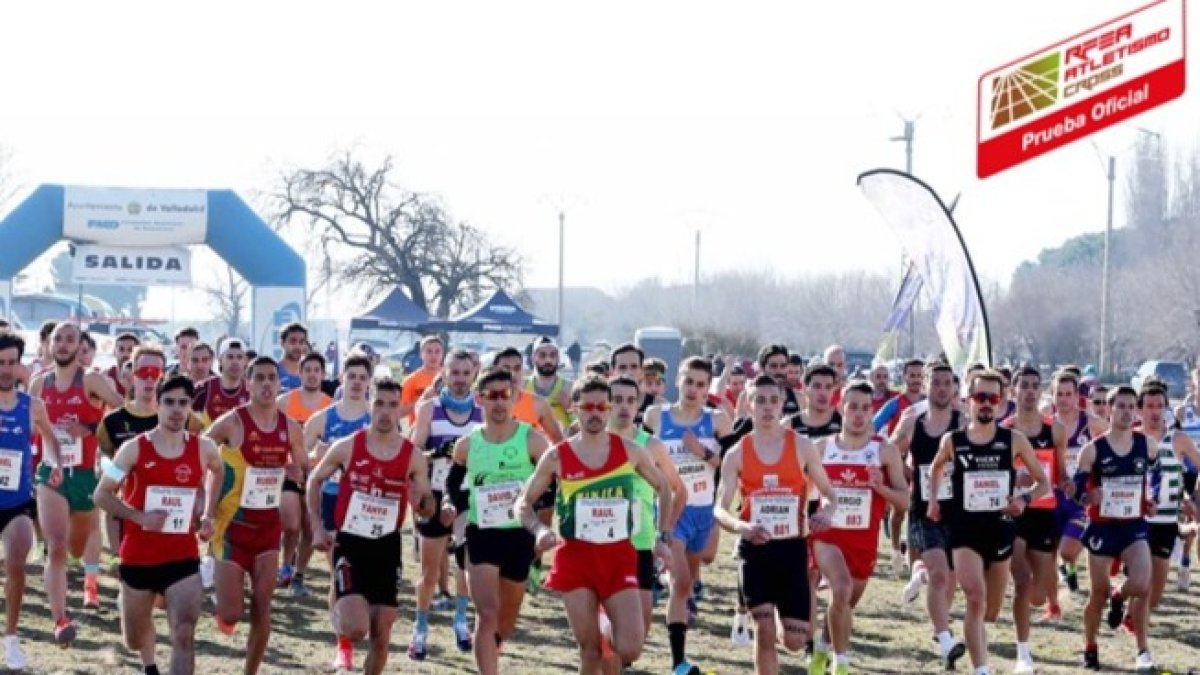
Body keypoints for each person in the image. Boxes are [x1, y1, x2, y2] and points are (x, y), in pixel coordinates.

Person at [517, 376, 676, 674]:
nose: (595, 413)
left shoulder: (629, 450)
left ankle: (605, 625)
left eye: (602, 406)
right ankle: (598, 630)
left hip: (619, 557)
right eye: (587, 406)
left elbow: (664, 488)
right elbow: (523, 503)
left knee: (630, 647)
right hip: (576, 558)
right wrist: (539, 530)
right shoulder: (557, 456)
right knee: (589, 652)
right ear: (575, 408)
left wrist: (662, 536)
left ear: (608, 409)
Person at [93, 374, 224, 675]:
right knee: (134, 638)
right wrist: (139, 517)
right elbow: (101, 493)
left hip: (182, 558)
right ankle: (149, 665)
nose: (177, 410)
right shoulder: (134, 448)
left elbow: (217, 471)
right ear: (158, 405)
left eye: (183, 403)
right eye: (169, 402)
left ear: (191, 407)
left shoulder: (203, 448)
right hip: (139, 557)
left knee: (183, 633)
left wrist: (208, 514)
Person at [306, 378, 437, 675]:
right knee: (356, 627)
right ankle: (341, 620)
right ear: (369, 404)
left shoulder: (411, 456)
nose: (385, 412)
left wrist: (424, 503)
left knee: (382, 636)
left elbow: (428, 505)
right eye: (379, 404)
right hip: (350, 543)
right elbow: (314, 481)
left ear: (400, 409)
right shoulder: (348, 446)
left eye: (393, 405)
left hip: (387, 548)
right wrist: (316, 526)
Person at [928, 369, 1049, 675]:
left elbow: (1043, 483)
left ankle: (975, 644)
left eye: (992, 398)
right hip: (964, 530)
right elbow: (935, 469)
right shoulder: (953, 441)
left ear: (1001, 402)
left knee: (991, 611)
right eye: (980, 397)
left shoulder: (1014, 441)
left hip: (1000, 530)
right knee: (975, 597)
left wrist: (1023, 500)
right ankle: (981, 669)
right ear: (968, 400)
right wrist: (932, 501)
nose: (986, 404)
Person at [715, 374, 837, 675]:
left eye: (773, 400)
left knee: (795, 640)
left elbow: (829, 493)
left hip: (792, 548)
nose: (767, 407)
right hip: (755, 549)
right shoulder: (737, 453)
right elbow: (720, 508)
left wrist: (826, 512)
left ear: (783, 404)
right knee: (764, 628)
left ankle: (790, 629)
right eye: (760, 401)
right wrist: (741, 528)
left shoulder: (802, 446)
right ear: (749, 405)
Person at [443, 367, 550, 675]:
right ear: (480, 400)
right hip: (482, 533)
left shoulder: (532, 441)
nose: (499, 403)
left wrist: (539, 519)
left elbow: (551, 484)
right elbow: (453, 483)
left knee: (507, 615)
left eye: (505, 395)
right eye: (493, 396)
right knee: (487, 615)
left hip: (519, 535)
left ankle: (494, 643)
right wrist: (451, 503)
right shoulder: (467, 444)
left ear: (515, 397)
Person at [205, 355, 308, 675]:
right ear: (248, 384)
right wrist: (208, 496)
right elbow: (200, 449)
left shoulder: (289, 427)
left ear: (279, 385)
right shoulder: (233, 421)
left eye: (271, 378)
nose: (266, 384)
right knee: (232, 613)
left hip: (267, 529)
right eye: (259, 378)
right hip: (231, 526)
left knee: (263, 607)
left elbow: (303, 467)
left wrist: (295, 469)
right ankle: (221, 604)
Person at [809, 381, 910, 675]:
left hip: (863, 543)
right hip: (827, 537)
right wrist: (812, 516)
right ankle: (842, 664)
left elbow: (905, 501)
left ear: (872, 411)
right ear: (840, 407)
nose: (858, 414)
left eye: (865, 408)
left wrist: (881, 487)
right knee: (840, 589)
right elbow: (803, 492)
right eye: (852, 407)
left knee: (844, 604)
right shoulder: (821, 447)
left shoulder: (885, 451)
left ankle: (823, 649)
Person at [31, 322, 124, 640]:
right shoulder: (38, 385)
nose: (63, 344)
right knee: (56, 546)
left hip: (84, 474)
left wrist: (88, 427)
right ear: (48, 345)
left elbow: (121, 413)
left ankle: (88, 579)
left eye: (70, 339)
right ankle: (60, 620)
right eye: (58, 339)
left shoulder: (92, 380)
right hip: (50, 473)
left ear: (80, 345)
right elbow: (28, 428)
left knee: (76, 546)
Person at [642, 357, 733, 673]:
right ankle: (678, 662)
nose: (693, 389)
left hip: (703, 509)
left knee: (701, 564)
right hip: (671, 508)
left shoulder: (718, 420)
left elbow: (729, 463)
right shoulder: (656, 416)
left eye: (700, 384)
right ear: (676, 382)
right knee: (681, 585)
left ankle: (664, 572)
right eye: (688, 381)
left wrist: (702, 452)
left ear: (708, 388)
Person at [1072, 385, 1155, 671]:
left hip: (1133, 526)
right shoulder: (1093, 450)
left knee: (1143, 584)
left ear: (1137, 411)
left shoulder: (1148, 445)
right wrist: (1086, 497)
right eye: (1120, 406)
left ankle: (1142, 648)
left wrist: (1151, 500)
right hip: (1102, 527)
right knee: (1097, 594)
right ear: (1109, 410)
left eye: (1132, 406)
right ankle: (1090, 647)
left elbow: (1152, 478)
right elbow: (1077, 489)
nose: (1126, 411)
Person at [891, 362, 967, 668]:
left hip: (959, 511)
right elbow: (889, 451)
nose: (941, 388)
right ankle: (947, 640)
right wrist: (906, 474)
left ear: (954, 387)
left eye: (947, 383)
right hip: (924, 509)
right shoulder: (913, 420)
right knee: (939, 574)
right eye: (935, 382)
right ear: (926, 384)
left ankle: (941, 631)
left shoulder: (964, 421)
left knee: (949, 579)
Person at [406, 349, 480, 660]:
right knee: (429, 571)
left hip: (468, 496)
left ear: (474, 374)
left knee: (465, 564)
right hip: (435, 494)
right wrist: (440, 453)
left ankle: (461, 622)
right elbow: (413, 452)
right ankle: (419, 628)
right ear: (444, 374)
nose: (460, 380)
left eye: (466, 373)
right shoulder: (429, 409)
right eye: (455, 373)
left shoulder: (482, 410)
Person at [302, 354, 374, 668]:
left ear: (369, 381)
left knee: (367, 574)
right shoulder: (323, 418)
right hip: (333, 500)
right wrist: (316, 455)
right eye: (352, 376)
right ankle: (342, 643)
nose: (357, 382)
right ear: (342, 379)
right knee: (339, 573)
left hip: (368, 504)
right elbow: (301, 457)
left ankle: (362, 626)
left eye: (362, 377)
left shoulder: (376, 417)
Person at [606, 375, 686, 652]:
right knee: (602, 637)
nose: (624, 407)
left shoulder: (651, 446)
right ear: (606, 403)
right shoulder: (591, 443)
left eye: (630, 400)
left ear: (639, 404)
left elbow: (676, 490)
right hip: (598, 546)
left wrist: (664, 535)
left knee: (636, 640)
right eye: (617, 400)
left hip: (639, 545)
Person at [1125, 384, 1200, 668]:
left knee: (1154, 595)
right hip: (1136, 523)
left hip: (1167, 521)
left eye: (1160, 406)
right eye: (1150, 406)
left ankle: (1125, 605)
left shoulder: (1177, 439)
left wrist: (1190, 497)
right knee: (1143, 589)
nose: (1155, 412)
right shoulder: (1131, 439)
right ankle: (1143, 654)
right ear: (1140, 408)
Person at [1000, 366, 1067, 673]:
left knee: (1037, 596)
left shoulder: (1054, 430)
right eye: (1023, 385)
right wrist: (1015, 477)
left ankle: (1032, 606)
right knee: (1022, 581)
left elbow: (1061, 472)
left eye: (1033, 386)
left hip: (1044, 511)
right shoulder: (1005, 430)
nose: (1028, 391)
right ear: (1014, 391)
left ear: (1040, 392)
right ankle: (1023, 652)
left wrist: (1071, 484)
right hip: (1014, 512)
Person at [0, 331, 60, 667]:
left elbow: (51, 441)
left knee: (17, 563)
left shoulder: (32, 406)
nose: (6, 370)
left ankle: (11, 638)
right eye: (0, 363)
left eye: (11, 363)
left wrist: (53, 465)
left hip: (17, 502)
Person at [275, 351, 332, 595]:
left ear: (323, 374)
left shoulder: (330, 406)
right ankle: (285, 564)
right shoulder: (285, 402)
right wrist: (285, 464)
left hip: (317, 474)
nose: (311, 375)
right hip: (289, 470)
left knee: (309, 527)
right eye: (307, 370)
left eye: (316, 370)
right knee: (291, 523)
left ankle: (298, 575)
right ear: (299, 373)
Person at [192, 338, 250, 428]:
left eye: (239, 357)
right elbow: (190, 429)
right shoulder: (203, 389)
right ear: (220, 360)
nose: (235, 362)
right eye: (230, 357)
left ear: (245, 361)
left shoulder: (252, 391)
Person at [526, 337, 574, 430]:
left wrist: (569, 409)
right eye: (542, 355)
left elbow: (584, 429)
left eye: (552, 355)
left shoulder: (570, 388)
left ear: (558, 359)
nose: (548, 360)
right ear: (533, 358)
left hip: (562, 442)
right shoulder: (522, 387)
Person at [400, 336, 445, 424]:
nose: (433, 355)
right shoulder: (411, 380)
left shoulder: (450, 378)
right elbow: (399, 412)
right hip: (418, 430)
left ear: (443, 354)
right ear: (421, 354)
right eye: (429, 351)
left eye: (437, 351)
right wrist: (423, 399)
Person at [104, 332, 140, 398]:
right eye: (121, 349)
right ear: (114, 352)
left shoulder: (143, 380)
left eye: (130, 350)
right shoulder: (105, 376)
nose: (125, 354)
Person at [276, 323, 309, 392]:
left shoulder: (310, 373)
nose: (297, 346)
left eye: (301, 342)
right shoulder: (273, 371)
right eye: (293, 341)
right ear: (282, 343)